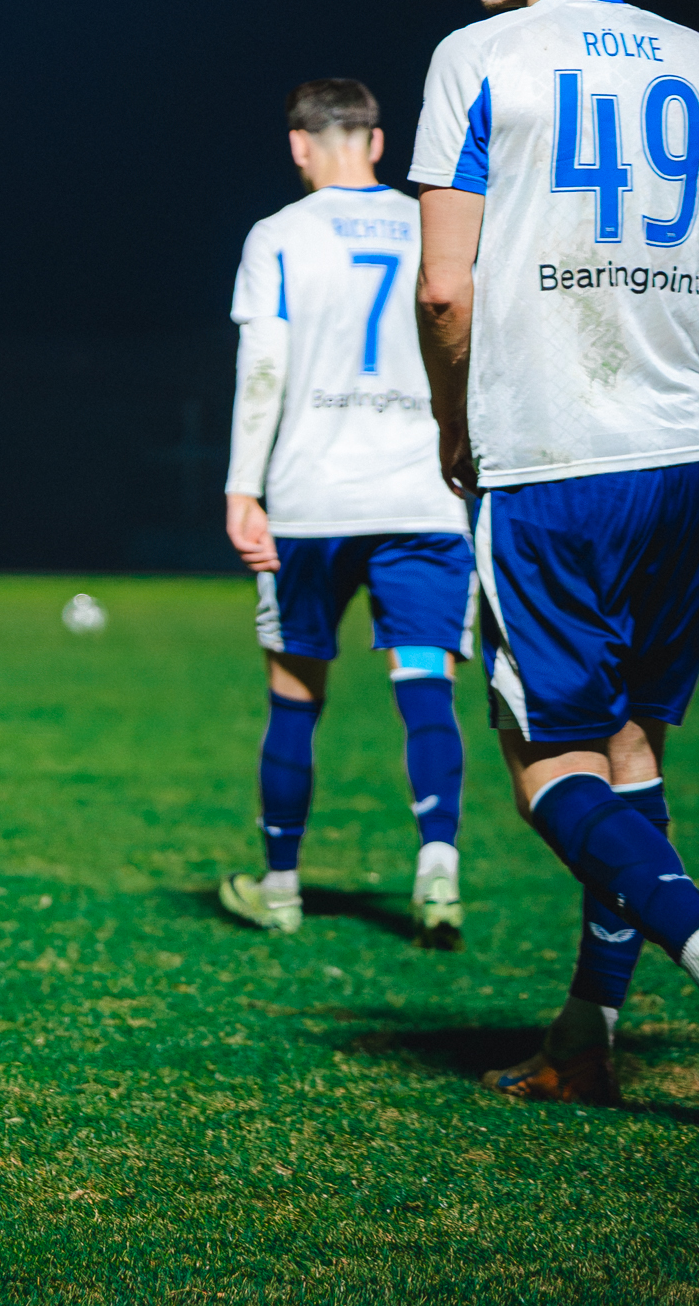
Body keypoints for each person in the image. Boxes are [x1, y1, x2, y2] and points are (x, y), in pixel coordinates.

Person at [410, 0, 699, 1130]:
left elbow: (446, 291)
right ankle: (589, 1035)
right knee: (632, 746)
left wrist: (459, 433)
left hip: (552, 457)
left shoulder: (477, 62)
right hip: (682, 462)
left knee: (546, 761)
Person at [217, 78, 473, 948]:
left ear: (298, 145)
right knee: (425, 685)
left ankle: (281, 886)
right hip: (423, 498)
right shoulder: (430, 226)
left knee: (296, 694)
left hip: (313, 500)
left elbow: (264, 369)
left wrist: (240, 487)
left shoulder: (279, 236)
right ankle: (438, 870)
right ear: (377, 139)